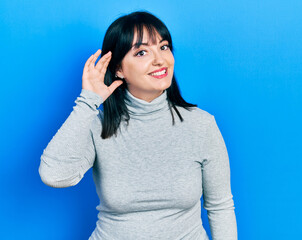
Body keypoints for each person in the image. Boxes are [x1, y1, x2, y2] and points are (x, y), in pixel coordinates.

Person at [38, 10, 237, 240]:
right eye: (142, 52)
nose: (160, 59)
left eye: (163, 47)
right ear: (118, 69)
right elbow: (54, 175)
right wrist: (87, 101)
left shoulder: (201, 124)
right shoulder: (97, 126)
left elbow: (220, 207)